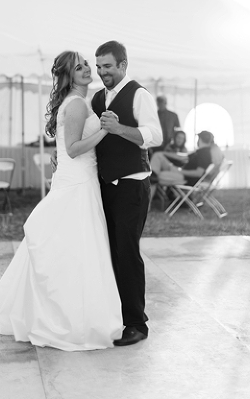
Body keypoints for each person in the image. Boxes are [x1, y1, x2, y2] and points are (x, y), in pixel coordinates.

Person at [0, 51, 123, 351]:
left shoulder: (81, 101)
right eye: (79, 67)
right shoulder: (76, 104)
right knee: (75, 247)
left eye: (86, 65)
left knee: (76, 246)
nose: (86, 69)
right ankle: (66, 317)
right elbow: (72, 149)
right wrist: (105, 133)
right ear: (68, 75)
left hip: (81, 179)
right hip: (77, 181)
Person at [91, 40, 162, 346]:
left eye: (107, 66)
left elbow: (155, 136)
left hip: (133, 184)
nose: (101, 72)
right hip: (104, 185)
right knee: (110, 251)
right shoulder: (96, 99)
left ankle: (136, 323)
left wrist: (119, 129)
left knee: (127, 251)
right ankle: (116, 315)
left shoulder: (139, 95)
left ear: (122, 65)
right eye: (98, 67)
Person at [154, 130, 221, 187]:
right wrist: (163, 153)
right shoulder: (201, 151)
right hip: (180, 172)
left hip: (185, 178)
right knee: (158, 155)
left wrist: (179, 171)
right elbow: (181, 157)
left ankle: (151, 180)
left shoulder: (204, 154)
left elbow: (198, 173)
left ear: (200, 139)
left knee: (155, 177)